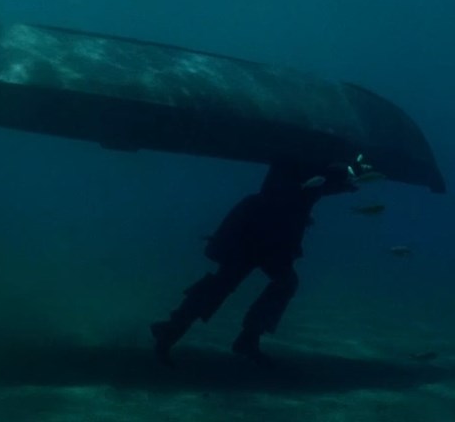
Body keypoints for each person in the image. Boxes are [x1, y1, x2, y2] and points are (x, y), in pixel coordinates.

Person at [150, 155, 370, 366]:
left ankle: (177, 330)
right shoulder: (303, 159)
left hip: (265, 228)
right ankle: (189, 332)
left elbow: (313, 185)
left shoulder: (305, 161)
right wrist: (343, 178)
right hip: (264, 230)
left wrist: (342, 180)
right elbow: (308, 185)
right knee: (238, 282)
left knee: (231, 282)